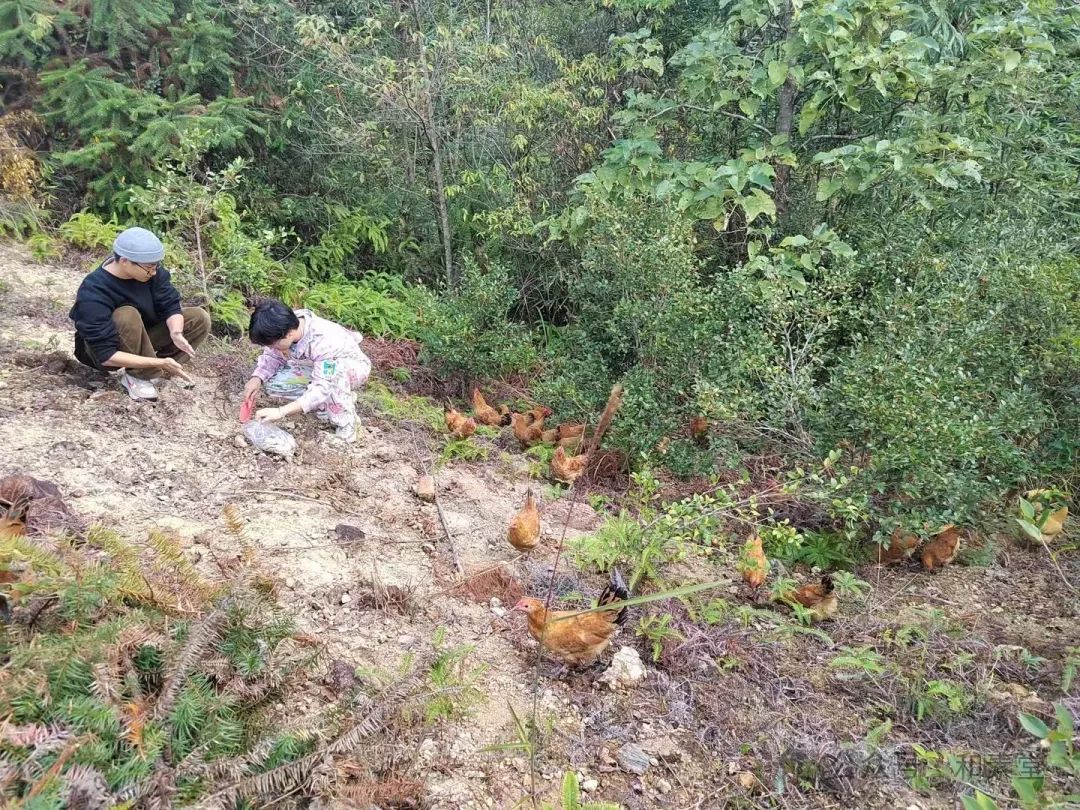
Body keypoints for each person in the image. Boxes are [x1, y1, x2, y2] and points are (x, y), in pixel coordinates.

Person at [69, 226, 211, 401]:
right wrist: (159, 362)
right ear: (125, 261)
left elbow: (170, 303)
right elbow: (106, 356)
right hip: (104, 352)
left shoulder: (151, 273)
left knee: (199, 317)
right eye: (149, 268)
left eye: (155, 266)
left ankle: (158, 373)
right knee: (127, 314)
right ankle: (140, 376)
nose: (154, 272)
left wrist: (176, 333)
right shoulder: (94, 291)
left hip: (141, 337)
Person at [243, 300, 372, 443]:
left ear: (289, 334)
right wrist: (257, 378)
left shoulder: (324, 341)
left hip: (350, 367)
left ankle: (347, 424)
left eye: (273, 344)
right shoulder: (286, 325)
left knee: (332, 381)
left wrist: (281, 412)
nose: (272, 347)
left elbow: (323, 385)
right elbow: (272, 356)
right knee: (275, 384)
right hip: (316, 367)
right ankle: (326, 405)